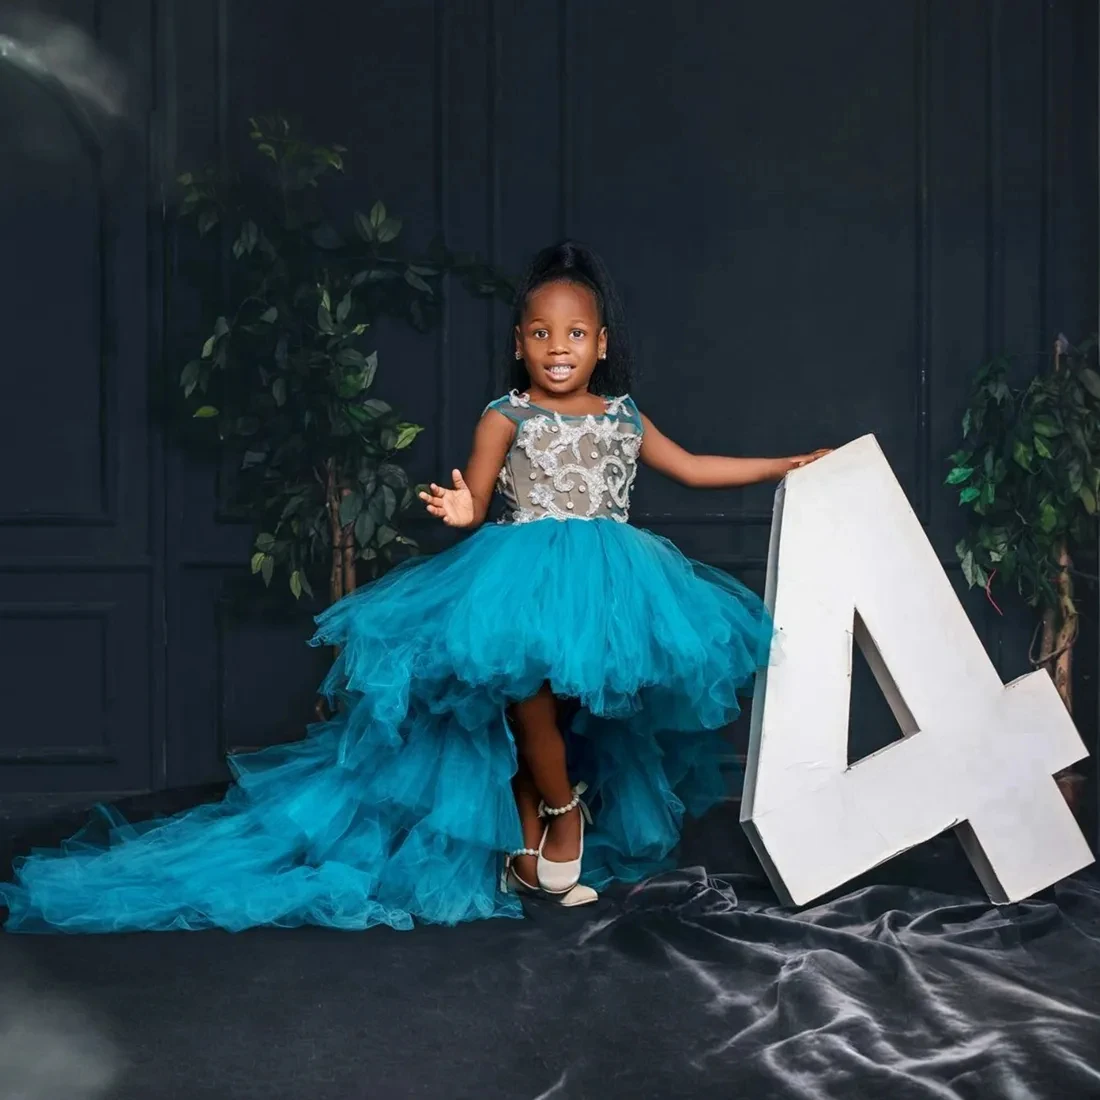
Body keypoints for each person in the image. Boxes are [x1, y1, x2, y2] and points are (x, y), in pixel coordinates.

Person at [1, 241, 828, 933]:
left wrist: (785, 463)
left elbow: (691, 467)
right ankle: (561, 812)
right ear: (520, 344)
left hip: (608, 583)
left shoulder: (623, 416)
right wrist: (465, 504)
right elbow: (473, 497)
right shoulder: (509, 414)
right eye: (541, 332)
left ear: (602, 343)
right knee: (526, 693)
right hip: (517, 571)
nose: (558, 346)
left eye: (574, 332)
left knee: (567, 701)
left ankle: (529, 834)